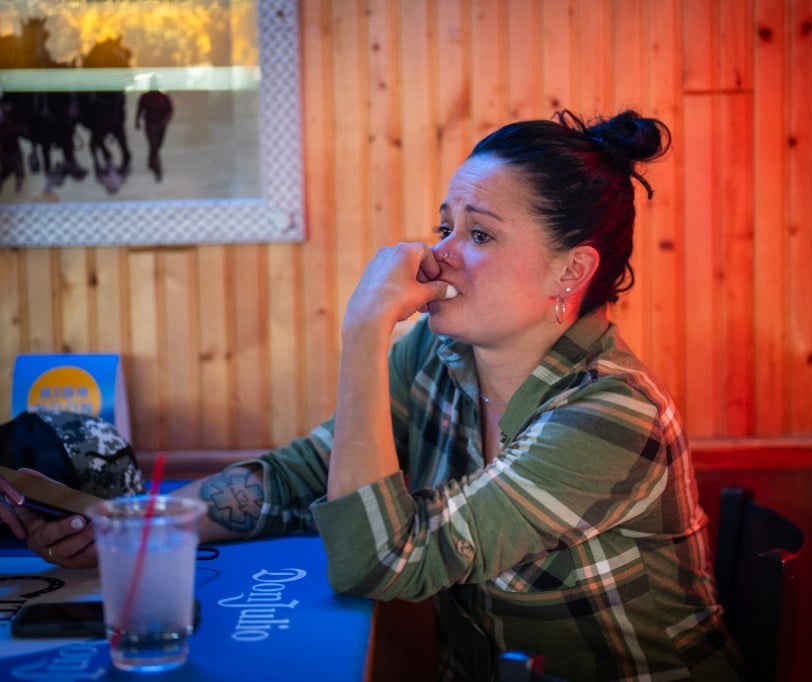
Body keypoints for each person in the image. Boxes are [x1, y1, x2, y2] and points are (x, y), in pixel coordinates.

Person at [1, 110, 746, 681]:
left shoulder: (612, 417)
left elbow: (383, 561)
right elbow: (306, 475)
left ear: (568, 272)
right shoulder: (438, 354)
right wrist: (136, 526)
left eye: (479, 235)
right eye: (444, 225)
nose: (437, 254)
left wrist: (366, 326)